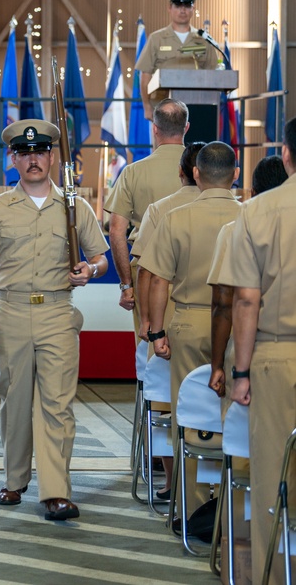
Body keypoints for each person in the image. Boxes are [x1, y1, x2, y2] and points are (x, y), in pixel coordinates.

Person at [0, 119, 109, 522]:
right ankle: (14, 480)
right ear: (13, 159)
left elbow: (100, 257)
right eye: (25, 153)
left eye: (41, 152)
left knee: (57, 405)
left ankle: (56, 491)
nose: (34, 160)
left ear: (52, 157)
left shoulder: (74, 207)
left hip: (57, 313)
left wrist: (91, 271)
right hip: (10, 312)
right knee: (14, 401)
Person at [138, 141, 240, 519]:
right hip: (238, 328)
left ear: (195, 174)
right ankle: (232, 508)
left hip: (188, 321)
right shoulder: (249, 218)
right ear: (236, 174)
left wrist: (157, 331)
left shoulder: (176, 218)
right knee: (236, 414)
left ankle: (191, 508)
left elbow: (158, 280)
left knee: (192, 417)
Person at [222, 118, 296, 585]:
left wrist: (241, 371)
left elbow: (246, 299)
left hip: (275, 358)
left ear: (286, 154)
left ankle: (274, 577)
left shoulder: (258, 211)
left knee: (272, 475)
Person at [127, 140, 204, 496]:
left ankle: (175, 485)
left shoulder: (161, 210)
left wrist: (147, 324)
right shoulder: (240, 210)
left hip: (171, 324)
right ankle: (214, 488)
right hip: (222, 327)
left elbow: (147, 270)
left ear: (182, 172)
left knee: (169, 406)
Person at [207, 156, 287, 403]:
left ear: (252, 192)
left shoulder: (237, 228)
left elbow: (225, 302)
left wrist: (218, 364)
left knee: (248, 437)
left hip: (257, 349)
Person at [104, 99, 189, 324]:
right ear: (186, 127)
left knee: (150, 350)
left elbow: (116, 231)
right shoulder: (203, 170)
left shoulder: (132, 173)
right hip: (196, 272)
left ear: (154, 128)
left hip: (147, 276)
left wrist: (126, 285)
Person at [134, 0, 218, 121]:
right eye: (178, 5)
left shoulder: (204, 40)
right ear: (169, 8)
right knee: (167, 143)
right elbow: (145, 75)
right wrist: (147, 107)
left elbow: (214, 74)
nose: (182, 9)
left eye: (187, 5)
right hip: (163, 109)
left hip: (198, 107)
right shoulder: (156, 39)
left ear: (193, 9)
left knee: (198, 142)